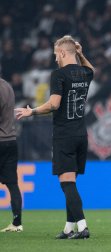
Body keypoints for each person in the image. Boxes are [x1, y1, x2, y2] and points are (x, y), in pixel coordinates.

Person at [15, 35, 95, 239]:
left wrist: (31, 111)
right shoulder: (84, 72)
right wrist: (80, 52)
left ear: (62, 52)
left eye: (55, 54)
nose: (55, 59)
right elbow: (92, 70)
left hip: (64, 135)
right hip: (81, 135)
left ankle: (83, 227)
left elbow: (53, 104)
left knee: (66, 183)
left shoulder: (58, 74)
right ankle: (69, 227)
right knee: (71, 182)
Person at [0, 78, 23, 232]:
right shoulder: (7, 85)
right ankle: (17, 223)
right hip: (11, 140)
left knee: (12, 184)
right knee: (12, 184)